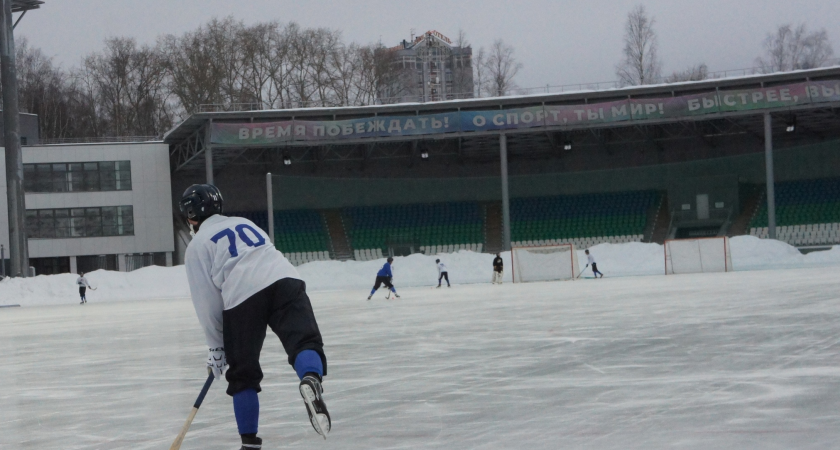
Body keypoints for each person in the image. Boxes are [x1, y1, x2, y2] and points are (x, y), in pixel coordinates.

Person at [180, 184, 330, 450]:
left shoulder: (198, 245)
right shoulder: (244, 222)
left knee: (243, 373)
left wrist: (217, 348)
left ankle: (249, 443)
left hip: (242, 293)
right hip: (285, 279)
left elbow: (208, 304)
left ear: (191, 215)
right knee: (305, 343)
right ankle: (311, 379)